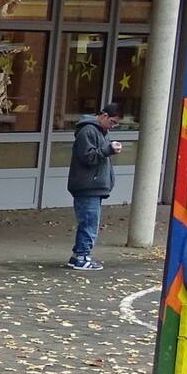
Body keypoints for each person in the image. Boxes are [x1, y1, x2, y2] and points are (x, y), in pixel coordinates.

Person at [66, 101, 124, 270]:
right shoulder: (88, 131)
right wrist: (108, 150)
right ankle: (82, 256)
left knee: (89, 222)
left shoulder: (101, 131)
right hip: (87, 186)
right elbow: (87, 157)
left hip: (93, 185)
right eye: (112, 122)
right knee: (89, 223)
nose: (113, 126)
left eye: (116, 124)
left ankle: (79, 255)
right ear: (104, 116)